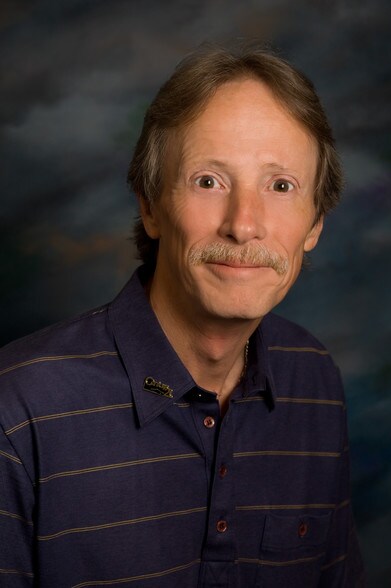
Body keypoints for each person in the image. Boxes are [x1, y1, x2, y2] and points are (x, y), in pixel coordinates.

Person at [0, 44, 364, 587]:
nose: (243, 225)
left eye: (281, 186)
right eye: (208, 181)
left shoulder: (314, 380)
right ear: (151, 205)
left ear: (315, 224)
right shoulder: (18, 410)